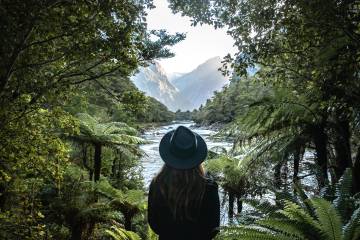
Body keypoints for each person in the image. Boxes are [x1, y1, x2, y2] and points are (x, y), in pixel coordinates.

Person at [148, 125, 220, 240]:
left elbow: (155, 224)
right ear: (196, 155)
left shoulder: (158, 184)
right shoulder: (209, 187)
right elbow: (213, 228)